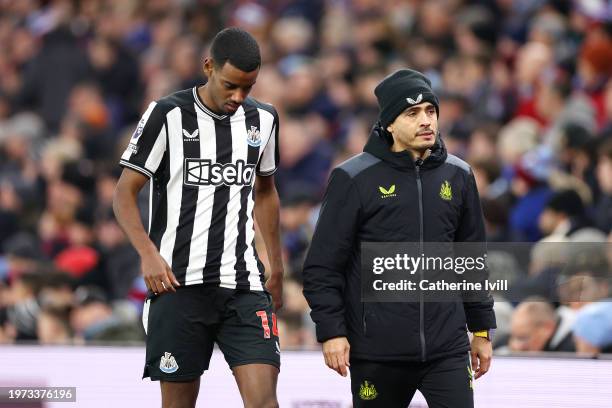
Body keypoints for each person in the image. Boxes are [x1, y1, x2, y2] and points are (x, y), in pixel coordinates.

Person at [303, 69, 496, 407]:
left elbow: (472, 262)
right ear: (389, 123)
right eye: (413, 113)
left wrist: (481, 331)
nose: (426, 121)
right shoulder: (353, 178)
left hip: (446, 349)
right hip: (377, 351)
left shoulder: (460, 175)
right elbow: (322, 266)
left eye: (430, 111)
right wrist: (331, 331)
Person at [113, 28, 284, 408]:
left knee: (264, 402)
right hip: (177, 284)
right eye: (231, 86)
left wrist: (277, 268)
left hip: (243, 284)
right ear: (208, 67)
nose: (238, 97)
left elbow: (266, 192)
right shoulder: (167, 114)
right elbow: (123, 194)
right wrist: (148, 253)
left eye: (248, 88)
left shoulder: (264, 121)